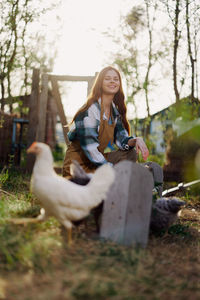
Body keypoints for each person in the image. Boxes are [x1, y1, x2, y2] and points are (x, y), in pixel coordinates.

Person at [62, 66, 149, 178]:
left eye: (116, 79)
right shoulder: (90, 110)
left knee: (129, 153)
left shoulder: (114, 112)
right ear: (100, 83)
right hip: (77, 169)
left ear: (119, 84)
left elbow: (122, 139)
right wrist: (112, 170)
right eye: (107, 78)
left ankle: (122, 186)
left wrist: (137, 140)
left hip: (97, 165)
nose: (112, 81)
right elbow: (91, 149)